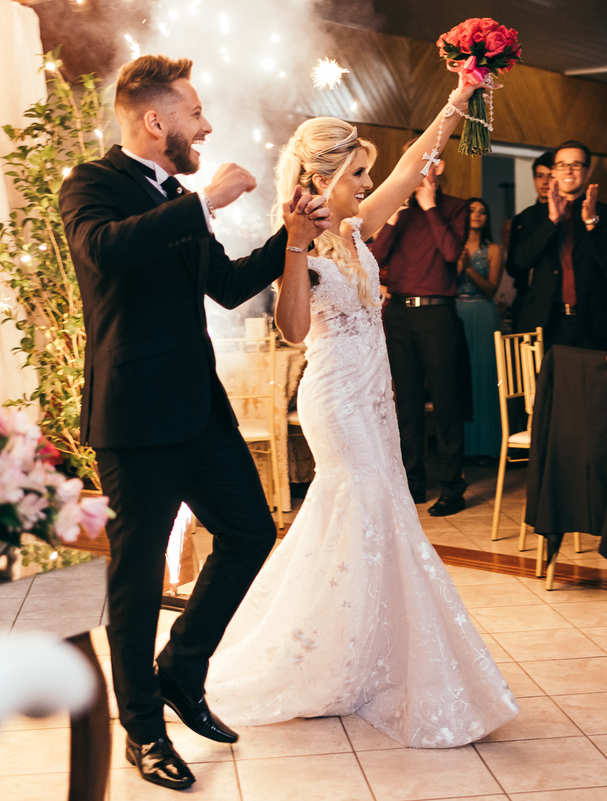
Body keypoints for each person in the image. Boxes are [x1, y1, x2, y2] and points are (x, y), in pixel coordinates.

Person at [205, 90, 520, 747]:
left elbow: (412, 165)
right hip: (337, 400)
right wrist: (292, 247)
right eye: (358, 175)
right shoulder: (306, 248)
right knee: (372, 507)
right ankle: (357, 658)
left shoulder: (354, 229)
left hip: (376, 398)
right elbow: (293, 330)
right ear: (321, 180)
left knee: (365, 518)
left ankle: (352, 655)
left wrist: (459, 97)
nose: (371, 185)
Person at [59, 54, 330, 790]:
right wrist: (204, 200)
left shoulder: (176, 195)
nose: (205, 124)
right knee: (137, 579)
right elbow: (104, 251)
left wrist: (292, 235)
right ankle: (142, 731)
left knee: (249, 531)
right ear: (155, 121)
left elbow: (230, 283)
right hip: (134, 418)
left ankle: (181, 666)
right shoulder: (94, 186)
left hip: (200, 412)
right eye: (194, 113)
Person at [371, 140, 471, 516]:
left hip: (437, 314)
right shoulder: (391, 208)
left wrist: (429, 207)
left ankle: (452, 487)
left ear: (438, 165)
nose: (417, 167)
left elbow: (450, 254)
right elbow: (375, 258)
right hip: (397, 314)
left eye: (426, 159)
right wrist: (394, 217)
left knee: (446, 401)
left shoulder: (457, 207)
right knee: (406, 404)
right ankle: (412, 484)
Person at [511, 140, 607, 349]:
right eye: (562, 165)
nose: (569, 170)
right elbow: (519, 263)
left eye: (576, 164)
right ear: (554, 171)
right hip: (546, 322)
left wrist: (592, 223)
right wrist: (551, 221)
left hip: (593, 322)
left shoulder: (606, 214)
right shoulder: (531, 216)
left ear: (588, 171)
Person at [456, 197, 504, 459]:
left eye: (482, 212)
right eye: (471, 210)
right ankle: (460, 448)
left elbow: (492, 289)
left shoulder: (494, 249)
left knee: (486, 377)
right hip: (456, 312)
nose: (477, 215)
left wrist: (469, 269)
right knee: (460, 379)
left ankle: (488, 447)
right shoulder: (452, 244)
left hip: (484, 313)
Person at [504, 150, 553, 321]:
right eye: (540, 175)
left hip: (555, 302)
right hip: (525, 299)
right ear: (534, 179)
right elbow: (512, 267)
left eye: (551, 176)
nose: (545, 182)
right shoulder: (522, 218)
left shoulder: (566, 215)